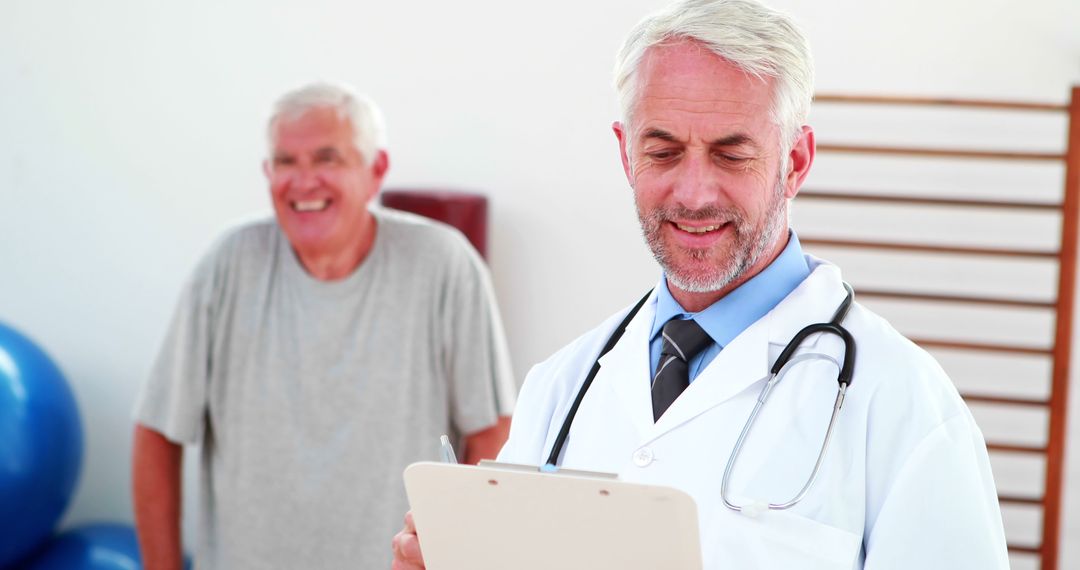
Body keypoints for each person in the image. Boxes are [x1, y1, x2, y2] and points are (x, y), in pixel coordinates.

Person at [391, 0, 1009, 568]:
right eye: (662, 152)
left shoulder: (904, 405)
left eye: (731, 154)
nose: (693, 194)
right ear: (626, 155)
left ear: (795, 162)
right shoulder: (560, 387)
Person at [132, 82, 516, 570]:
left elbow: (490, 436)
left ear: (375, 170)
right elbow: (156, 432)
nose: (303, 181)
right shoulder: (228, 264)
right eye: (286, 162)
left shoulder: (444, 265)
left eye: (327, 158)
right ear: (268, 173)